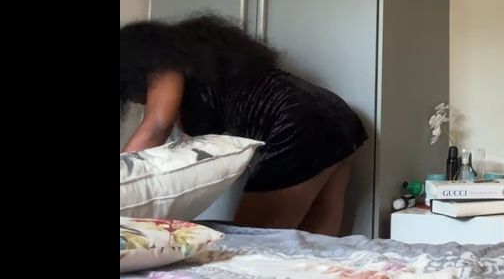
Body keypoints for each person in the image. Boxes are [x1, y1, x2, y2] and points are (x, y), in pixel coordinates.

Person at [120, 13, 367, 235]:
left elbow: (156, 126)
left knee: (251, 241)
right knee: (318, 243)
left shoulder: (162, 62)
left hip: (298, 122)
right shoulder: (200, 60)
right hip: (336, 113)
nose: (139, 100)